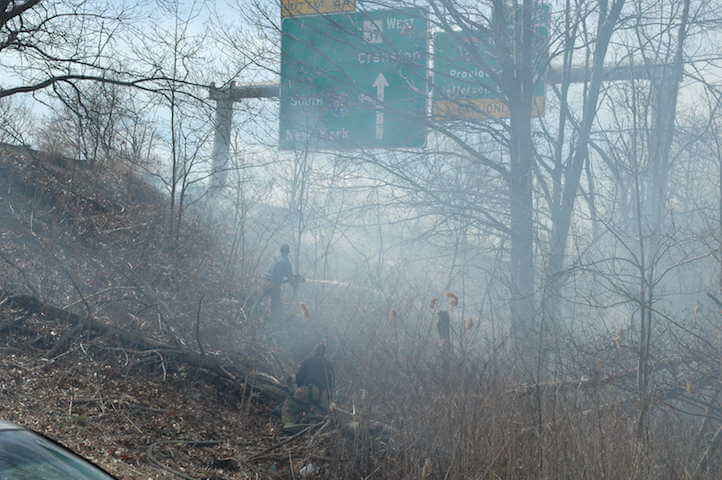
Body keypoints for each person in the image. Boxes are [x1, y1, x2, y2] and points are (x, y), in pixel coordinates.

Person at [266, 244, 294, 321]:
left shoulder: (276, 259)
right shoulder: (285, 261)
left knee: (273, 303)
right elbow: (289, 276)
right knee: (277, 305)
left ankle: (271, 319)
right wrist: (295, 284)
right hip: (275, 286)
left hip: (267, 284)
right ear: (288, 252)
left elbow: (277, 273)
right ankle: (275, 322)